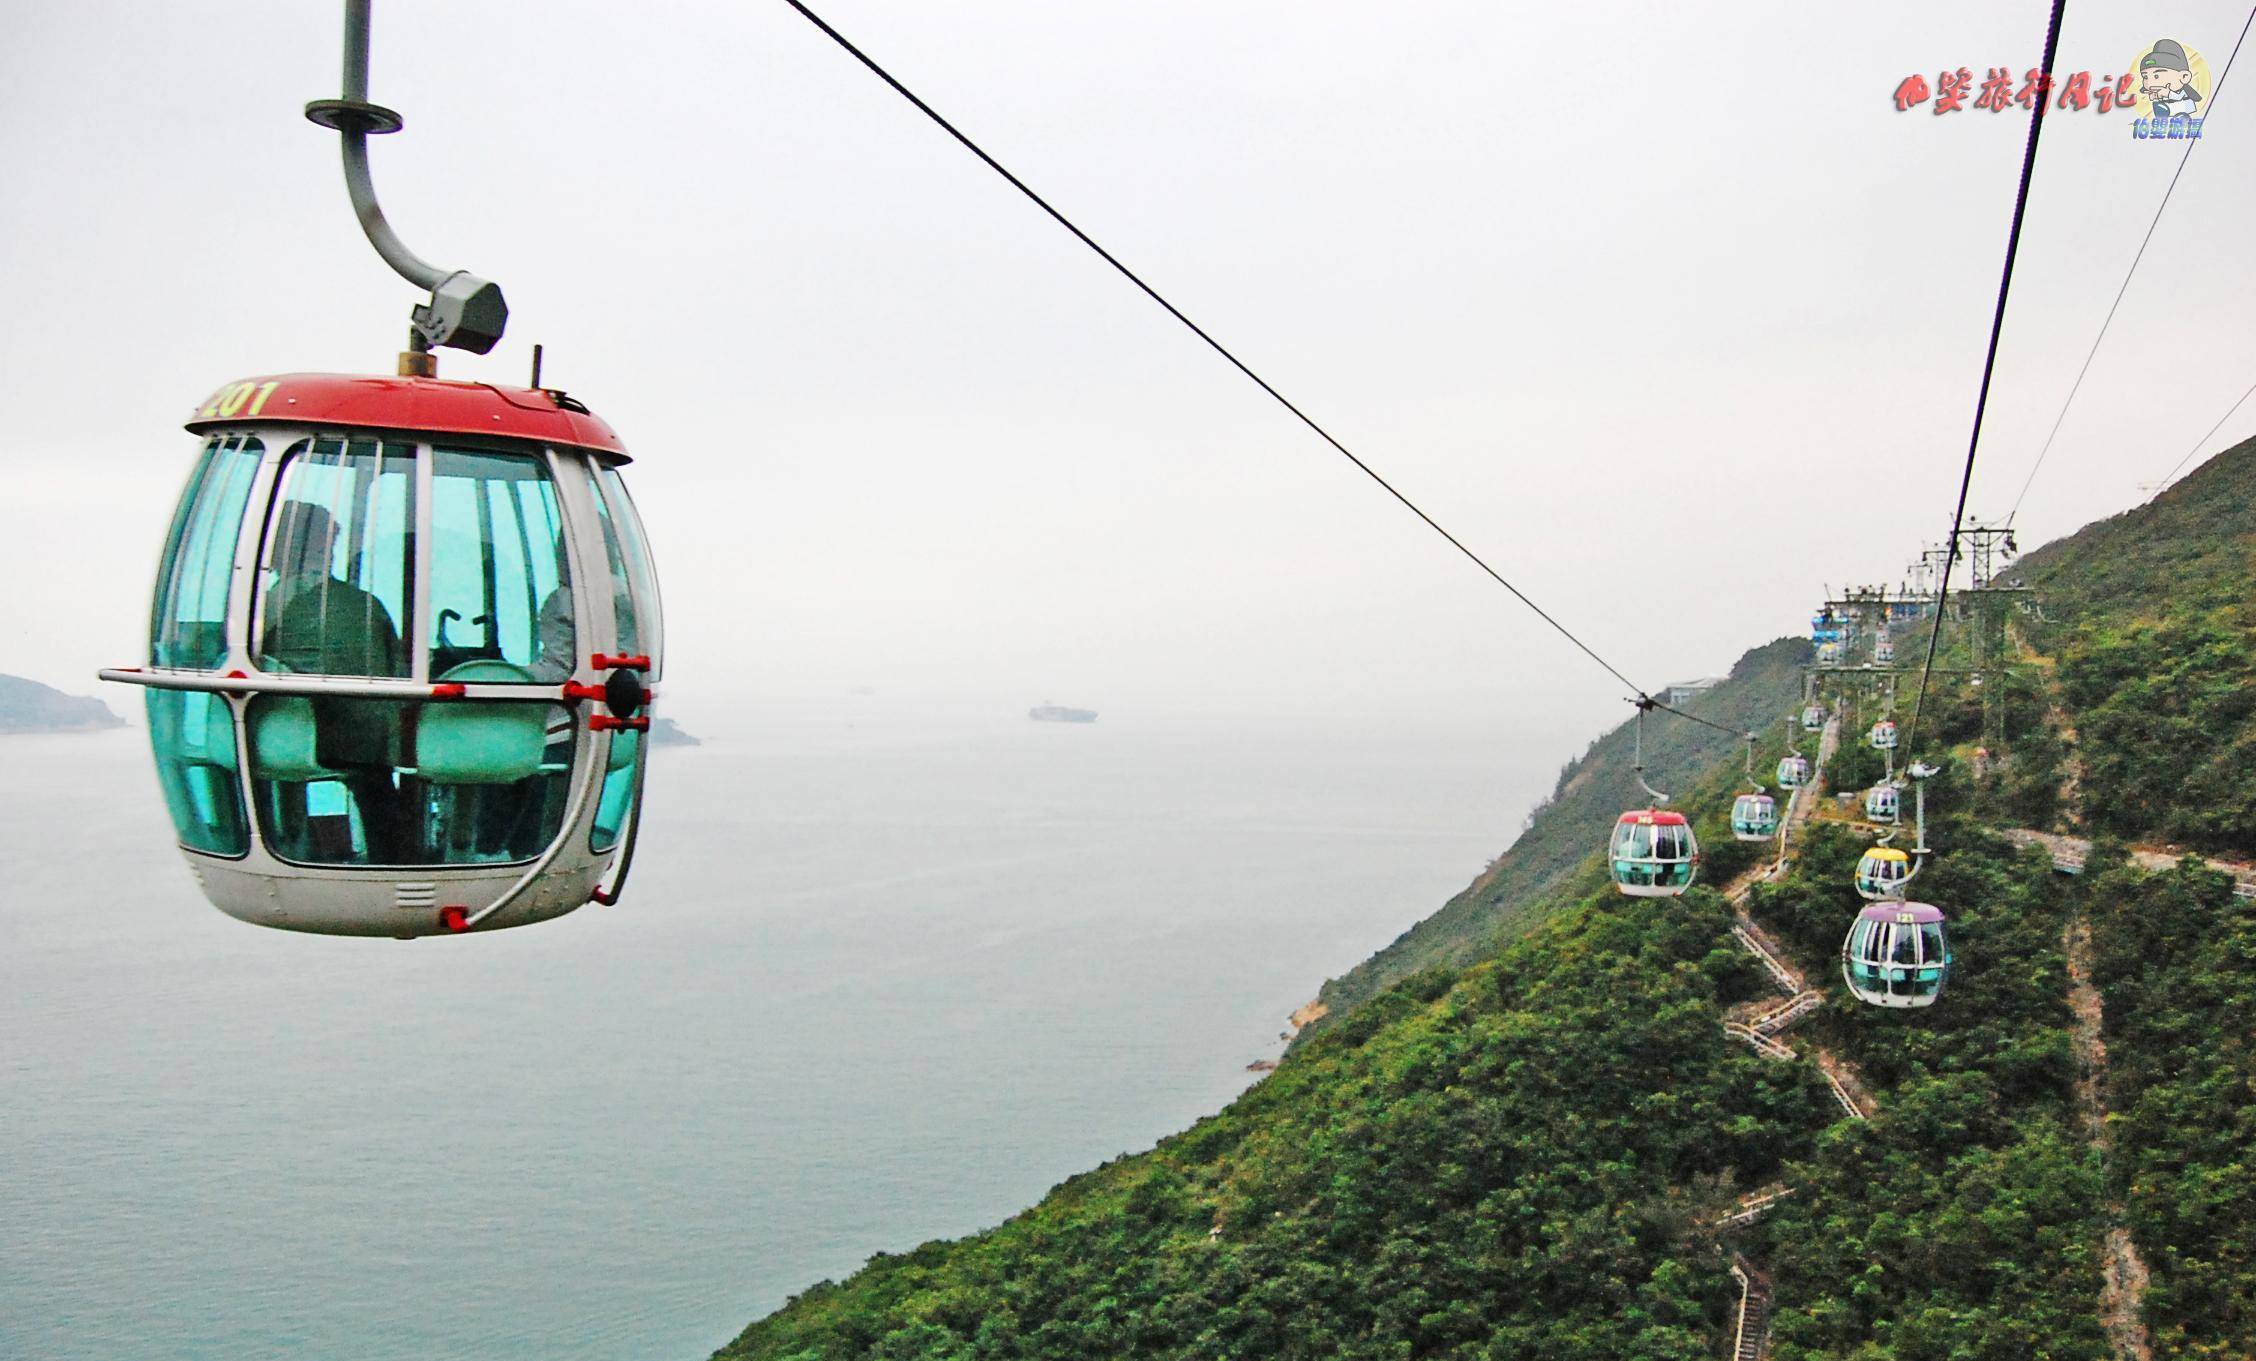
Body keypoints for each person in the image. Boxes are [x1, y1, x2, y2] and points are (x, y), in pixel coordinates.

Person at [258, 501, 412, 861]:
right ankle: (391, 858)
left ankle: (288, 846)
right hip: (370, 746)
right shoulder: (368, 604)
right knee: (376, 789)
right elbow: (398, 670)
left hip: (294, 741)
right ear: (327, 550)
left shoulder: (268, 606)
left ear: (281, 548)